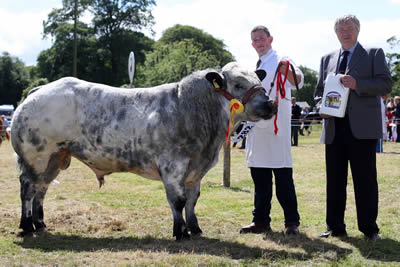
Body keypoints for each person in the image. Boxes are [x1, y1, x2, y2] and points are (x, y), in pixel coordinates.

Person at [314, 15, 392, 240]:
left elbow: (385, 83)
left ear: (358, 30)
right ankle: (335, 227)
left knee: (365, 180)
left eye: (349, 28)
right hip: (334, 127)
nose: (345, 32)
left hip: (362, 129)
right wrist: (322, 104)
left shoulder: (373, 53)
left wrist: (358, 85)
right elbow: (319, 90)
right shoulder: (326, 58)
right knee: (334, 180)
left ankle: (369, 229)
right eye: (340, 29)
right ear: (335, 33)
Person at [240, 25, 304, 235]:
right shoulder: (251, 66)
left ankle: (291, 222)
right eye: (255, 40)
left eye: (262, 39)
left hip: (276, 128)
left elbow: (298, 82)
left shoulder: (282, 59)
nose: (259, 43)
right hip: (256, 128)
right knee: (259, 177)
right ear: (252, 44)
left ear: (270, 39)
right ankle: (260, 220)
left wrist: (288, 72)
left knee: (283, 176)